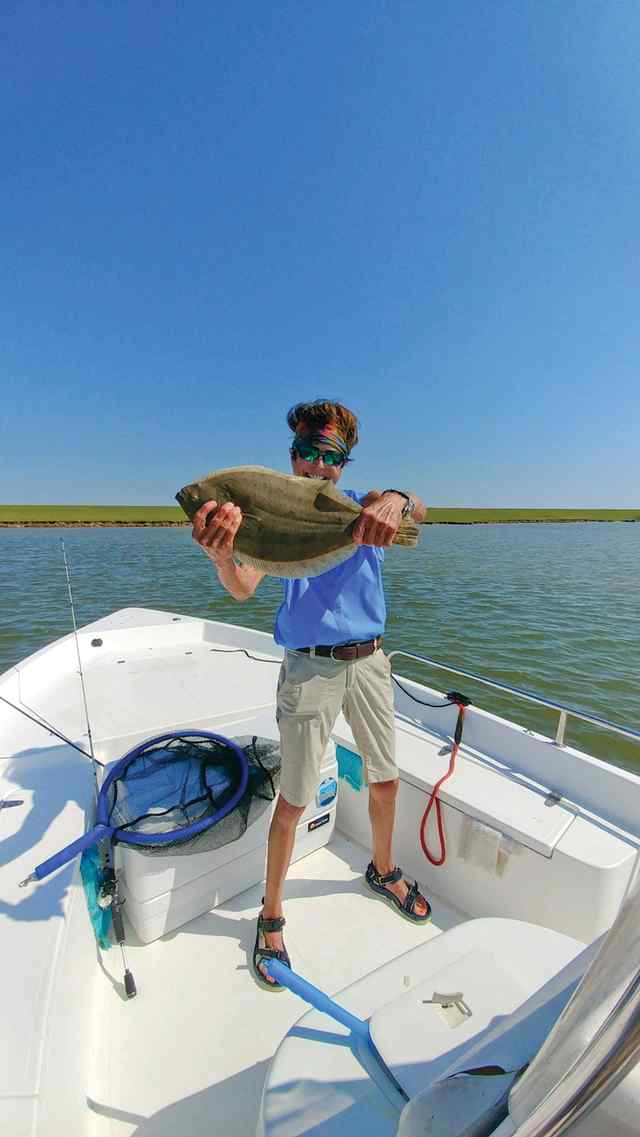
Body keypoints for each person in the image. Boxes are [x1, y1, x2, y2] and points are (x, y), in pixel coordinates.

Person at [191, 399, 431, 990]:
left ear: (345, 464)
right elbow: (243, 586)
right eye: (309, 453)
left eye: (332, 457)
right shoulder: (267, 517)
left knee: (386, 779)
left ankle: (382, 869)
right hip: (310, 670)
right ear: (292, 458)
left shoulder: (366, 509)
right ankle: (271, 913)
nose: (319, 465)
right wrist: (225, 555)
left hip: (371, 662)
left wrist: (398, 498)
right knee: (295, 798)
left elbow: (419, 513)